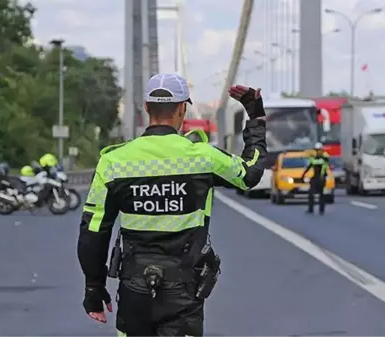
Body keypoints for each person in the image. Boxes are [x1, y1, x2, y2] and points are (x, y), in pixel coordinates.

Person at [77, 72, 267, 337]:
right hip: (184, 291)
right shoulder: (202, 157)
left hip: (134, 290)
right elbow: (251, 174)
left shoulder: (114, 162)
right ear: (182, 108)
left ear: (146, 108)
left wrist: (93, 288)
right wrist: (255, 117)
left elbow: (93, 232)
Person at [301, 142, 330, 215]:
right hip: (315, 178)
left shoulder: (325, 158)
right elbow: (309, 166)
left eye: (319, 150)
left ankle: (321, 209)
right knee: (311, 194)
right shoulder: (314, 158)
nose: (318, 151)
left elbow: (324, 165)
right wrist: (303, 175)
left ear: (322, 150)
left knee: (321, 195)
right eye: (317, 150)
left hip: (321, 177)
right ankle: (311, 209)